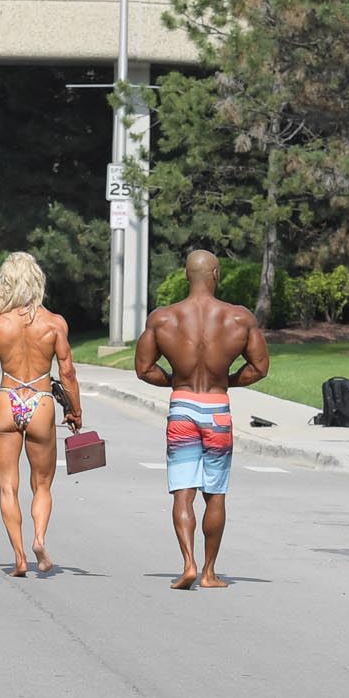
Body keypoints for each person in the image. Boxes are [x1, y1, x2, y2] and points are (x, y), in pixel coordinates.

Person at [134, 248, 271, 589]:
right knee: (215, 493)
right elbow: (259, 368)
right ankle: (209, 572)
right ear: (216, 274)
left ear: (185, 275)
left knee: (183, 492)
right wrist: (226, 382)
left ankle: (188, 563)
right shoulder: (239, 318)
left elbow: (143, 368)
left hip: (181, 407)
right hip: (217, 408)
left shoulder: (163, 319)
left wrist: (175, 382)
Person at [0, 251, 84, 577]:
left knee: (7, 486)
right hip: (40, 401)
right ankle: (39, 539)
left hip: (7, 399)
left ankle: (19, 556)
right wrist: (75, 410)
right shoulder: (54, 323)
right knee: (42, 484)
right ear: (37, 281)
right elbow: (67, 373)